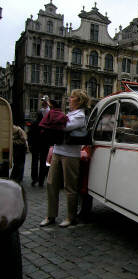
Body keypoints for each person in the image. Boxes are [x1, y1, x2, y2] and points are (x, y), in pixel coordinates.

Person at [40, 89, 90, 228]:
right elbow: (55, 122)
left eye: (72, 97)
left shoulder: (79, 116)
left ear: (79, 101)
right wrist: (47, 110)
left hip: (70, 154)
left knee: (70, 186)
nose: (69, 98)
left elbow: (63, 127)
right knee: (51, 183)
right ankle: (51, 215)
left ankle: (70, 216)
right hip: (58, 150)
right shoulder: (69, 114)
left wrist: (51, 117)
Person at [28, 99, 52, 187]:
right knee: (43, 163)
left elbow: (29, 134)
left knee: (34, 161)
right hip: (44, 146)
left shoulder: (34, 124)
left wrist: (30, 144)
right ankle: (41, 180)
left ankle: (34, 178)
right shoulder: (46, 125)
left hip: (35, 145)